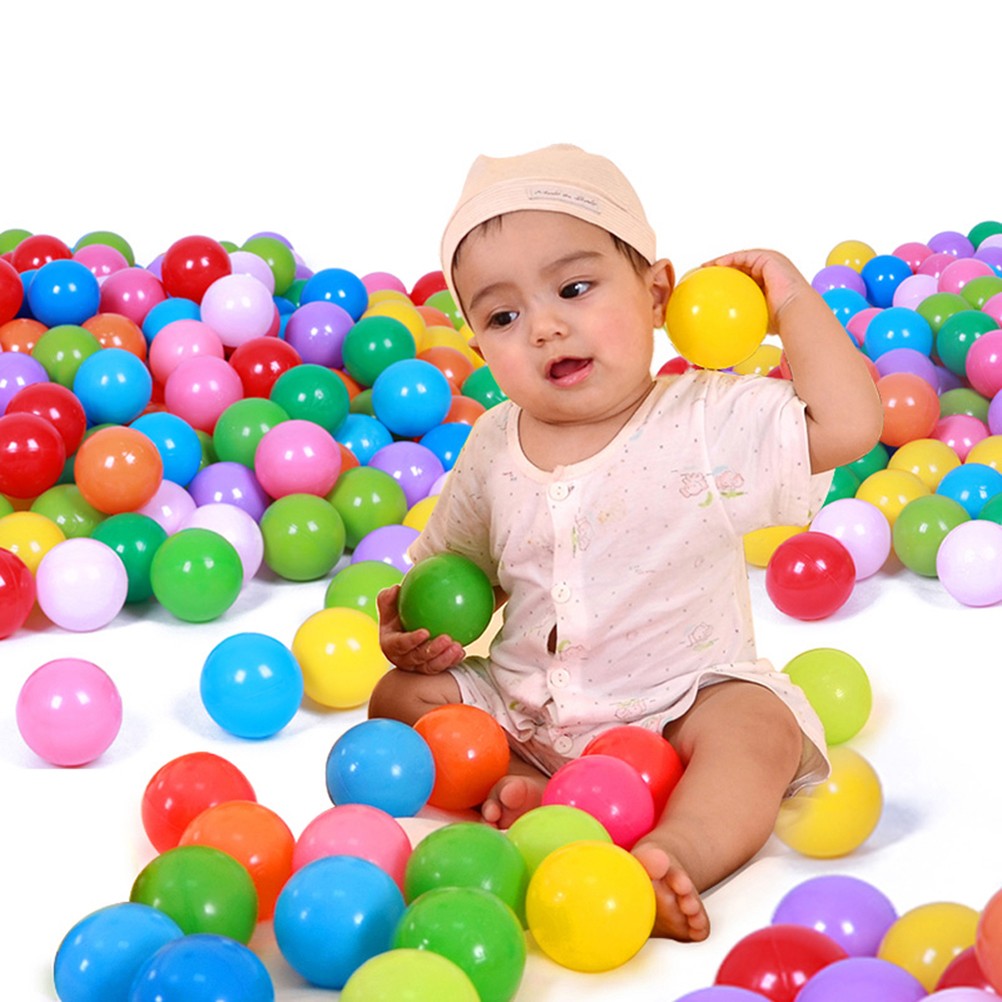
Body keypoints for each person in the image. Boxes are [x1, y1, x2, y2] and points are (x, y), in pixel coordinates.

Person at [369, 144, 884, 941]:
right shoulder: (493, 444)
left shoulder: (705, 418)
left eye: (575, 288)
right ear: (477, 345)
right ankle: (530, 793)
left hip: (675, 709)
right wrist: (416, 632)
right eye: (503, 317)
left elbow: (848, 426)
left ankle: (678, 849)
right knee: (398, 699)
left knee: (756, 725)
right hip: (526, 712)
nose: (545, 327)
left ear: (656, 294)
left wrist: (791, 304)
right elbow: (462, 574)